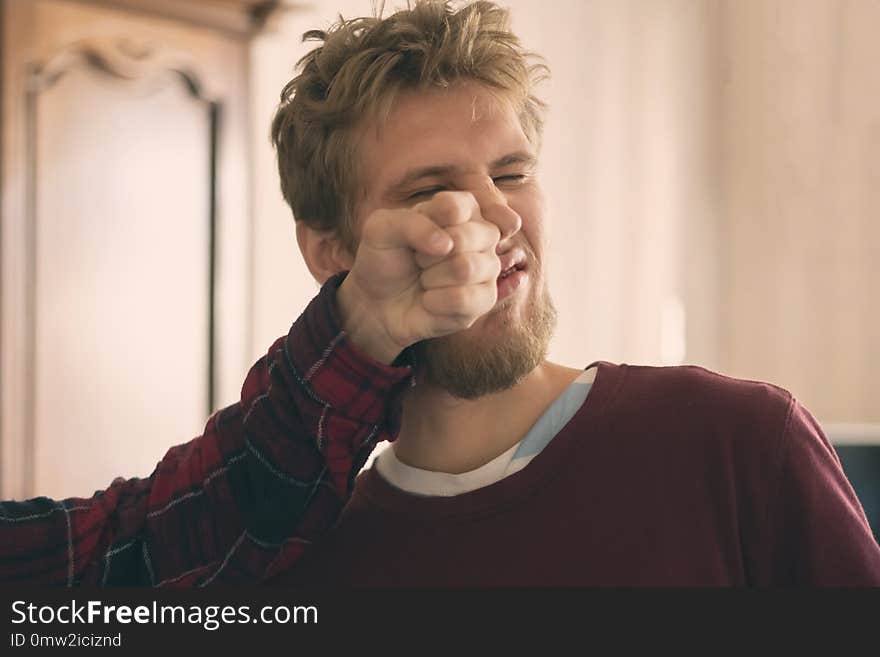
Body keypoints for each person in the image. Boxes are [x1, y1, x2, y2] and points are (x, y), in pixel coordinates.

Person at [2, 0, 879, 586]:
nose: (496, 216)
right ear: (330, 252)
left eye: (514, 171)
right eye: (431, 193)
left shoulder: (739, 445)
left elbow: (144, 537)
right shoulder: (298, 553)